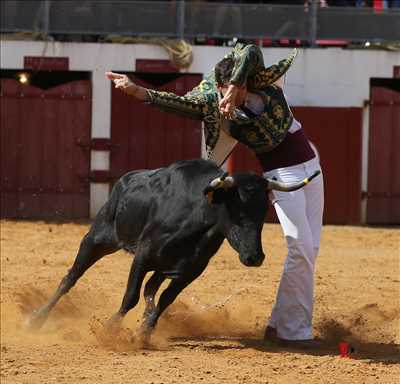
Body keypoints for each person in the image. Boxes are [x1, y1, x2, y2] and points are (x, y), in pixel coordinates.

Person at [106, 43, 324, 349]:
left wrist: (237, 86)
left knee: (309, 248)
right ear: (219, 87)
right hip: (280, 175)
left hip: (311, 165)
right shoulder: (210, 102)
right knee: (300, 247)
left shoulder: (261, 81)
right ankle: (294, 330)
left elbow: (251, 50)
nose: (239, 92)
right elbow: (175, 103)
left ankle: (281, 323)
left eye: (243, 83)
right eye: (230, 87)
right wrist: (137, 91)